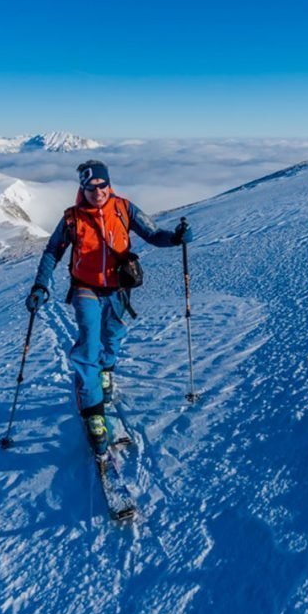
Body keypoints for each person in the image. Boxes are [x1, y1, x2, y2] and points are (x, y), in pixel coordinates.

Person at [25, 160, 193, 454]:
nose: (98, 192)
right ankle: (94, 414)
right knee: (89, 346)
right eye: (91, 187)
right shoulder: (71, 219)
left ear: (108, 184)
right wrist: (41, 285)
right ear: (83, 188)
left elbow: (153, 234)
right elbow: (53, 251)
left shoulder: (124, 208)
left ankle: (106, 370)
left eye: (102, 185)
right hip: (85, 288)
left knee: (113, 336)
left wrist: (176, 238)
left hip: (118, 288)